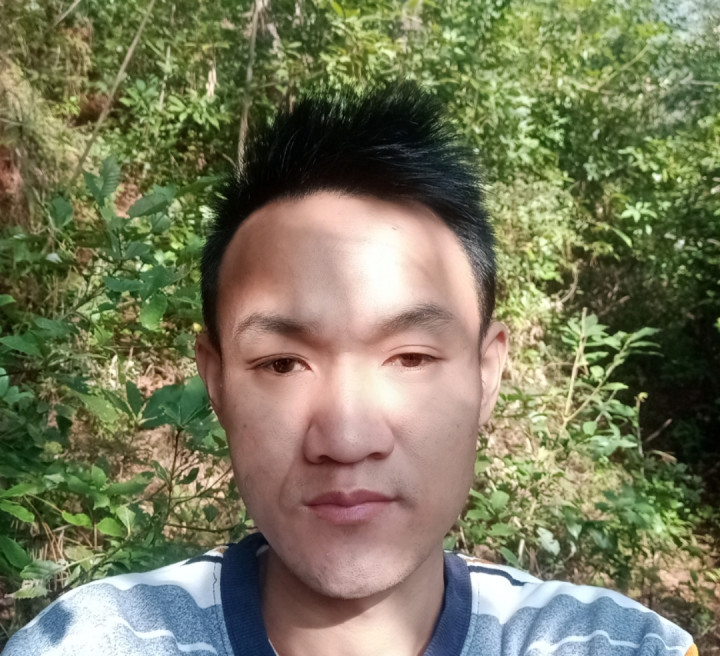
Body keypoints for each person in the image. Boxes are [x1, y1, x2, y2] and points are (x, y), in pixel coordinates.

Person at [4, 84, 696, 656]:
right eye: (282, 363)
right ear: (216, 383)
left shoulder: (616, 645)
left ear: (486, 374)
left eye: (411, 357)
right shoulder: (96, 642)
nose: (346, 437)